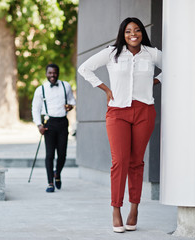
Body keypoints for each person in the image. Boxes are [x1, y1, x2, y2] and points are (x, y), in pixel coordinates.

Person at [78, 17, 162, 233]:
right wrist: (106, 89)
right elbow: (84, 69)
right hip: (117, 112)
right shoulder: (111, 53)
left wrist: (157, 80)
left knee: (136, 162)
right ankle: (116, 209)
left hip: (144, 111)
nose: (132, 34)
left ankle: (134, 209)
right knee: (120, 162)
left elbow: (175, 68)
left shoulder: (151, 53)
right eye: (128, 31)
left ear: (142, 32)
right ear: (122, 34)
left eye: (136, 30)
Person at [32, 63, 76, 193]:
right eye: (50, 73)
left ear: (58, 73)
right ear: (46, 74)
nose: (52, 75)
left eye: (55, 73)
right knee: (50, 154)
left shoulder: (65, 86)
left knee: (62, 154)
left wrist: (70, 106)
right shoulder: (41, 89)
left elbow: (72, 102)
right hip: (49, 123)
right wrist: (39, 125)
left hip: (62, 122)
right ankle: (50, 182)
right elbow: (35, 108)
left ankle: (57, 173)